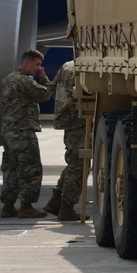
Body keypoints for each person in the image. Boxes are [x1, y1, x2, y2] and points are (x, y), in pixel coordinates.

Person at [0, 49, 57, 218]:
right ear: (27, 63)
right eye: (37, 64)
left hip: (8, 132)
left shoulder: (7, 79)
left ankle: (8, 206)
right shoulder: (24, 81)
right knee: (31, 168)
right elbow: (45, 94)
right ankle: (26, 206)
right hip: (23, 132)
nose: (39, 68)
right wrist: (44, 77)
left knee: (11, 169)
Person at [41, 60, 89, 221]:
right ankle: (67, 207)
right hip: (79, 120)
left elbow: (52, 89)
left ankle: (55, 201)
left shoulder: (66, 66)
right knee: (79, 165)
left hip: (67, 119)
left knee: (73, 162)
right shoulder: (86, 66)